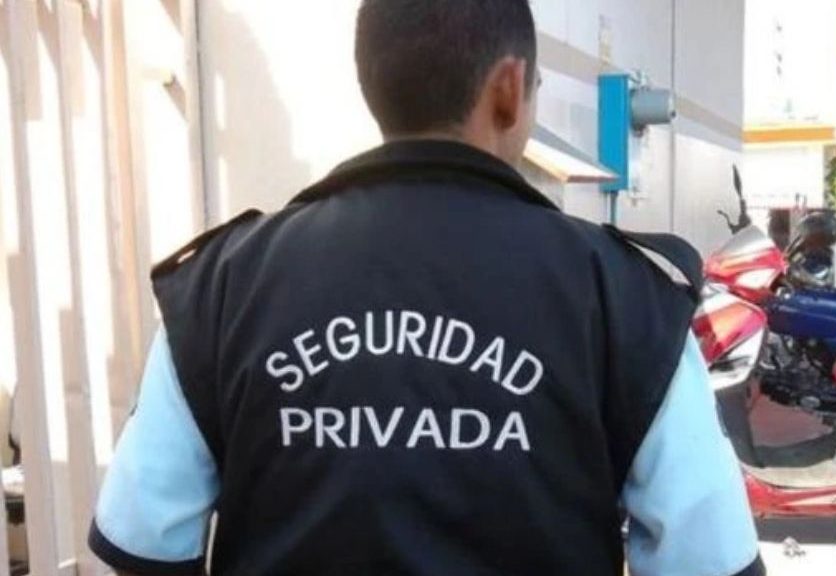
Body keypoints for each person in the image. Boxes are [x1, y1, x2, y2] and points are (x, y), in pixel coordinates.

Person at [89, 1, 765, 574]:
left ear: (372, 82)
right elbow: (706, 555)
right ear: (509, 89)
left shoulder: (224, 284)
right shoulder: (623, 297)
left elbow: (144, 536)